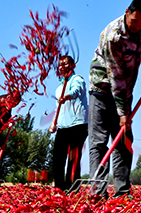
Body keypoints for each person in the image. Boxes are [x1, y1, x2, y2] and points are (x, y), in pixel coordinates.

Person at [87, 0, 141, 197]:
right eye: (135, 22)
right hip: (102, 88)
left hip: (124, 91)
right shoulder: (113, 36)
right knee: (99, 141)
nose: (138, 26)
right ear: (126, 12)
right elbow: (116, 77)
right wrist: (123, 113)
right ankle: (98, 190)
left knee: (124, 140)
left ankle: (122, 190)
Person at [49, 54, 89, 192]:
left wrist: (67, 96)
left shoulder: (78, 79)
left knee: (73, 157)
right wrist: (54, 122)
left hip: (78, 124)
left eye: (66, 63)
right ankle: (59, 188)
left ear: (73, 65)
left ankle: (72, 188)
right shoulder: (59, 88)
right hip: (63, 125)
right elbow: (58, 108)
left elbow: (77, 90)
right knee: (58, 158)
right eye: (60, 64)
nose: (62, 66)